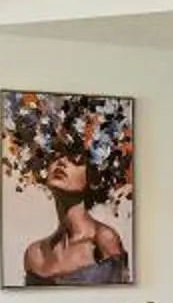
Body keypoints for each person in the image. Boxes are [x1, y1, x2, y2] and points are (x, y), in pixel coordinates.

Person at [8, 95, 134, 286]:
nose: (61, 162)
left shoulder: (103, 240)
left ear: (95, 174)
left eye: (76, 158)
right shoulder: (36, 254)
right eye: (55, 153)